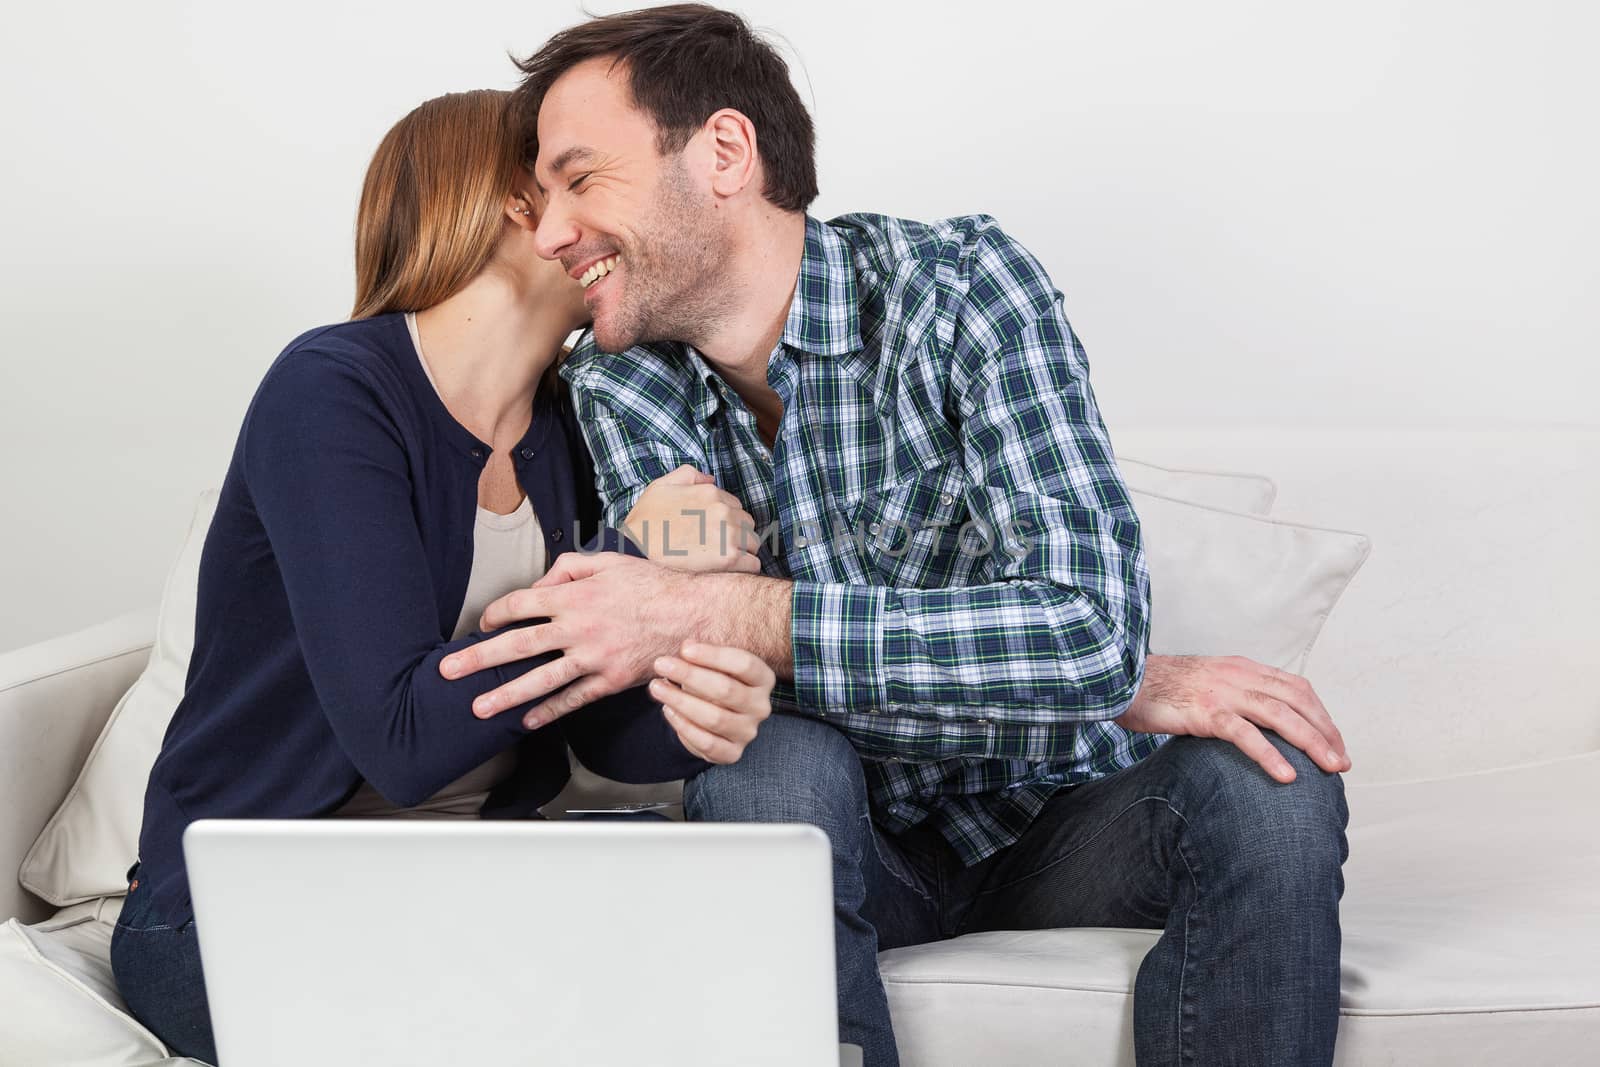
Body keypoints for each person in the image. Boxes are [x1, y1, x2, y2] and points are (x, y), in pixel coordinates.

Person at [440, 6, 1353, 1065]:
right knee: (767, 763)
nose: (551, 234)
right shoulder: (619, 372)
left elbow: (1087, 629)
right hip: (847, 834)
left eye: (581, 179)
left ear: (723, 152)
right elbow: (697, 650)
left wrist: (720, 604)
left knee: (1274, 776)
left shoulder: (962, 291)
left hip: (1052, 812)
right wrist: (1082, 665)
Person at [110, 88, 776, 1063]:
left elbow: (601, 735)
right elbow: (403, 737)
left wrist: (689, 656)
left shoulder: (564, 429)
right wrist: (631, 582)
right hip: (237, 912)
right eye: (586, 179)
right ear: (519, 201)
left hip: (463, 889)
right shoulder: (331, 391)